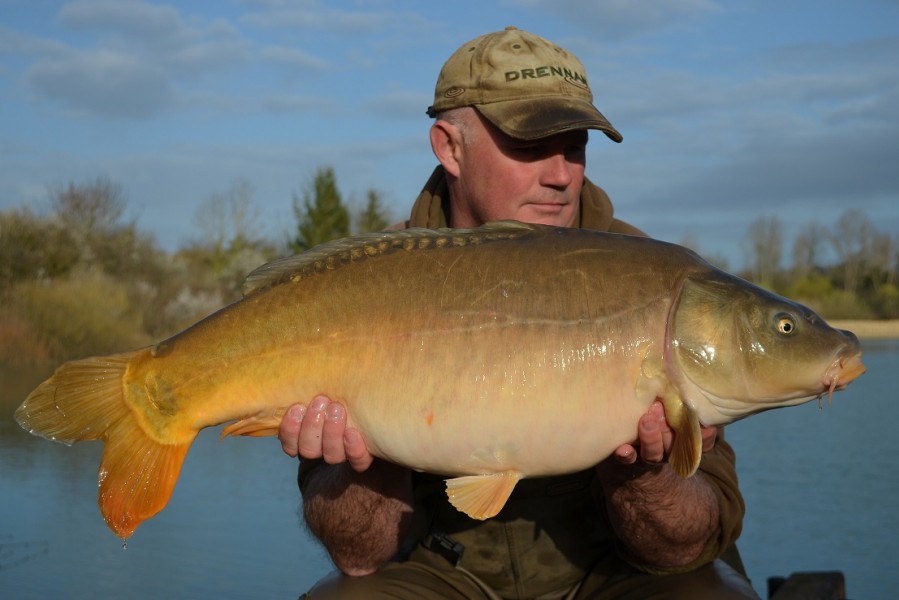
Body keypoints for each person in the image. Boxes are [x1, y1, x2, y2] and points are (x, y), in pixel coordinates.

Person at [279, 27, 761, 599]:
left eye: (576, 144)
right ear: (450, 147)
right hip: (441, 569)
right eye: (531, 145)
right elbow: (358, 555)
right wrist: (373, 457)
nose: (561, 174)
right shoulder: (364, 286)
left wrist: (643, 472)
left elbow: (684, 546)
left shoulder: (657, 284)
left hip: (610, 569)